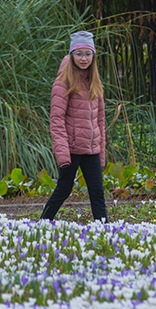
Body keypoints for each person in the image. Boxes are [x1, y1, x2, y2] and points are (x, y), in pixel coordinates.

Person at [40, 31, 108, 221]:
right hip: (71, 148)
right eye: (79, 54)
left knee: (97, 192)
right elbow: (56, 120)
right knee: (64, 189)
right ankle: (42, 224)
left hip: (91, 149)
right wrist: (62, 153)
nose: (84, 58)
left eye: (88, 53)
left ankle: (104, 230)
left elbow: (100, 119)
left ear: (93, 56)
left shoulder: (95, 82)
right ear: (71, 55)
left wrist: (100, 152)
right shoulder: (63, 82)